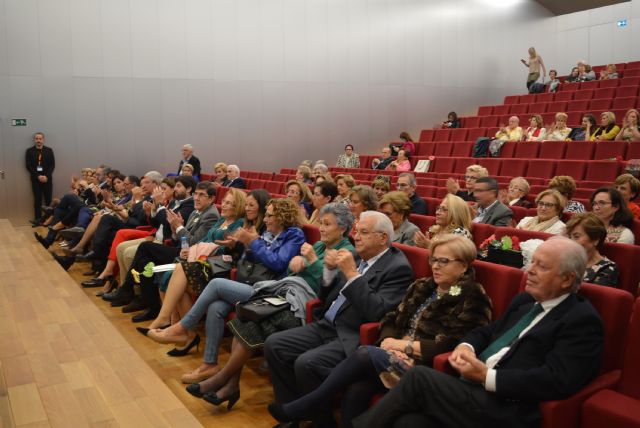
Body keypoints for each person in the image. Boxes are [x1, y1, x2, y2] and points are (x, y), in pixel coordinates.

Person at [351, 237, 604, 428]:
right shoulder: (525, 302)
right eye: (532, 263)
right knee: (407, 422)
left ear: (567, 279)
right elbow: (486, 332)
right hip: (470, 390)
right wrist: (466, 347)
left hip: (506, 405)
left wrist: (486, 376)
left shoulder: (581, 321)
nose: (530, 271)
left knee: (419, 377)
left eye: (542, 267)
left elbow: (556, 380)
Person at [268, 235, 492, 427]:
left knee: (365, 353)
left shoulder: (472, 296)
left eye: (444, 261)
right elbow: (392, 317)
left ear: (463, 266)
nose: (435, 266)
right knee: (356, 390)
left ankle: (305, 404)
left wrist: (404, 346)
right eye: (433, 259)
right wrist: (388, 340)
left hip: (423, 369)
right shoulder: (424, 286)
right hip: (393, 356)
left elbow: (453, 344)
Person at [186, 203, 356, 409]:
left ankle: (221, 379)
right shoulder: (320, 246)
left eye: (327, 224)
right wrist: (297, 264)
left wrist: (311, 262)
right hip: (285, 294)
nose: (321, 228)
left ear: (343, 229)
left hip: (302, 305)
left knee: (256, 318)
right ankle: (230, 384)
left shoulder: (346, 253)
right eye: (321, 223)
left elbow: (329, 291)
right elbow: (294, 272)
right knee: (245, 317)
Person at [264, 211, 413, 427]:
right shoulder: (357, 257)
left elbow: (377, 311)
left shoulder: (397, 267)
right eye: (356, 231)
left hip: (350, 334)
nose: (357, 237)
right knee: (274, 345)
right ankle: (293, 416)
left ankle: (322, 422)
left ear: (382, 238)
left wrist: (352, 275)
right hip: (327, 324)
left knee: (307, 363)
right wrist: (329, 270)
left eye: (364, 232)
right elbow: (327, 298)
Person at [147, 198, 305, 383]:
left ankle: (182, 328)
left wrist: (253, 242)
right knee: (215, 307)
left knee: (216, 284)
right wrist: (239, 245)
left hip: (268, 290)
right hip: (250, 282)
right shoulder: (267, 233)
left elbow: (278, 264)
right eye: (267, 214)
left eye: (270, 215)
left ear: (283, 217)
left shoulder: (295, 235)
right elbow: (254, 260)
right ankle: (209, 364)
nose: (266, 219)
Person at [140, 189, 270, 334]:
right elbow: (200, 242)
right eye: (224, 202)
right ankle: (177, 328)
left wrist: (187, 236)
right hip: (204, 258)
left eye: (229, 203)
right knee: (170, 275)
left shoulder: (241, 224)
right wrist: (189, 246)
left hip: (219, 266)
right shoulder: (223, 220)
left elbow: (232, 253)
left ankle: (174, 326)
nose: (224, 205)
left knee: (177, 274)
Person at [101, 181, 220, 307]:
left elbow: (192, 243)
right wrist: (175, 231)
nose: (196, 198)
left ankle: (126, 289)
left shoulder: (210, 215)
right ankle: (147, 303)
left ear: (212, 198)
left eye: (201, 195)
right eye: (196, 194)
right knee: (144, 261)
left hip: (190, 258)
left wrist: (178, 227)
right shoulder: (197, 211)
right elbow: (180, 239)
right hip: (181, 250)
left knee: (145, 247)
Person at [566, 213, 619, 287]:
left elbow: (594, 297)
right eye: (569, 237)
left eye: (576, 237)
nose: (570, 241)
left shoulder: (607, 269)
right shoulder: (565, 260)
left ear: (595, 239)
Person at [26, 132, 55, 223]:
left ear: (43, 140)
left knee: (48, 200)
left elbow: (52, 165)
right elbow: (28, 166)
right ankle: (38, 220)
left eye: (40, 138)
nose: (38, 140)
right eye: (36, 138)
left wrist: (46, 176)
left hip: (47, 179)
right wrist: (38, 176)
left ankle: (49, 221)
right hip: (36, 180)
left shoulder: (49, 150)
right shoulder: (29, 151)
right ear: (34, 140)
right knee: (37, 200)